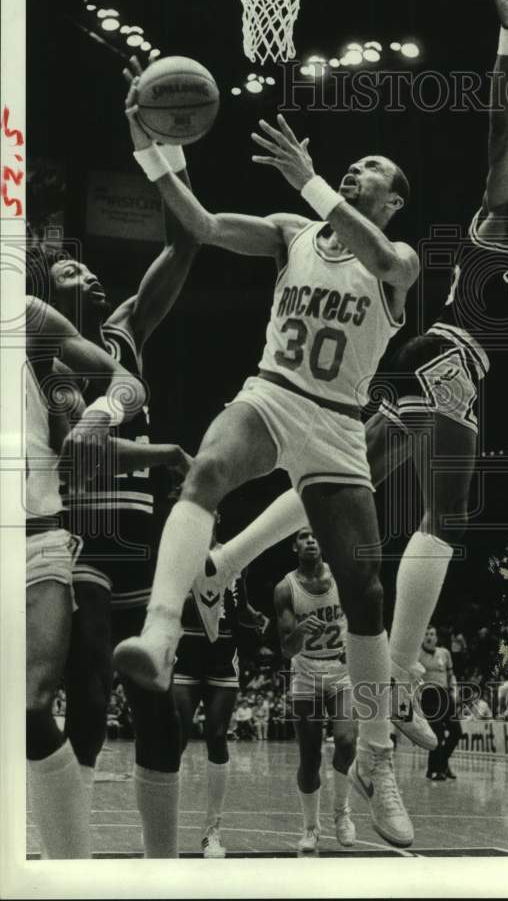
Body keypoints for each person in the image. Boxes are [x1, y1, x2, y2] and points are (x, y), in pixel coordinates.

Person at [184, 0, 508, 754]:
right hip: (444, 354)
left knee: (352, 473)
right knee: (440, 511)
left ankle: (223, 564)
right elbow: (503, 131)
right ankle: (403, 666)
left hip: (453, 365)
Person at [115, 95, 420, 846]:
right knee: (206, 472)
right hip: (273, 396)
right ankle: (160, 633)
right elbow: (205, 226)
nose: (355, 173)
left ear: (395, 199)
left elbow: (381, 257)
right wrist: (152, 148)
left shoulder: (401, 263)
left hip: (338, 425)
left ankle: (376, 761)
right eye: (349, 168)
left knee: (366, 588)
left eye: (370, 170)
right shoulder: (294, 233)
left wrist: (311, 178)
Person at [28, 54, 199, 858]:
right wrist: (151, 447)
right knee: (91, 671)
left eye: (91, 265)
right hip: (74, 536)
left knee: (157, 696)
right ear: (44, 285)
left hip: (145, 539)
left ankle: (163, 860)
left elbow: (184, 245)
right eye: (71, 266)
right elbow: (70, 453)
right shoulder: (31, 357)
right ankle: (76, 836)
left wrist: (160, 145)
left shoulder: (125, 332)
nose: (88, 272)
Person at [25, 294, 145, 858]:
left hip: (38, 537)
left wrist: (97, 416)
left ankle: (71, 870)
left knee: (33, 704)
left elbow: (127, 382)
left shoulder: (27, 316)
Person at [173, 520, 263, 859]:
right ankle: (163, 824)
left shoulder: (233, 559)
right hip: (186, 655)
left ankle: (212, 830)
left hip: (223, 656)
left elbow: (241, 609)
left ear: (218, 522)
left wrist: (254, 624)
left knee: (216, 734)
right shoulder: (179, 556)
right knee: (176, 736)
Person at [274, 527, 356, 852]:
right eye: (304, 536)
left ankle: (342, 813)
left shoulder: (343, 575)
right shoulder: (285, 588)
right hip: (305, 674)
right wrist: (299, 635)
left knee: (347, 742)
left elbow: (364, 615)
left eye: (315, 536)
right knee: (309, 760)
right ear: (294, 545)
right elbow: (286, 650)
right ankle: (311, 827)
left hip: (342, 672)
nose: (310, 540)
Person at [418, 626, 462, 781]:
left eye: (432, 634)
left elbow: (451, 675)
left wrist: (454, 692)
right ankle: (434, 770)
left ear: (436, 638)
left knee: (456, 731)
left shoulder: (445, 653)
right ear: (422, 637)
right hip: (428, 696)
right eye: (427, 634)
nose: (429, 637)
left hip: (445, 695)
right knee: (437, 734)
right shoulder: (417, 654)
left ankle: (442, 764)